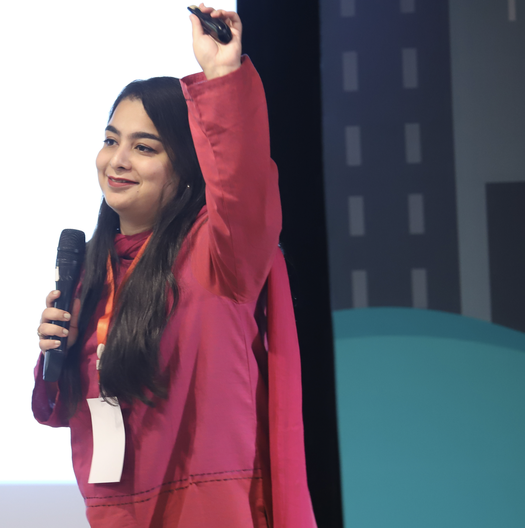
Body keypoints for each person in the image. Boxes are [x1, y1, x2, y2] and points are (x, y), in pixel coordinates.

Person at [32, 5, 317, 527]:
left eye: (144, 147)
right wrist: (58, 352)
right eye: (111, 139)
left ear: (186, 166)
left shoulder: (219, 252)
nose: (117, 160)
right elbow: (63, 409)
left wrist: (223, 75)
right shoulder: (92, 274)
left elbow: (245, 182)